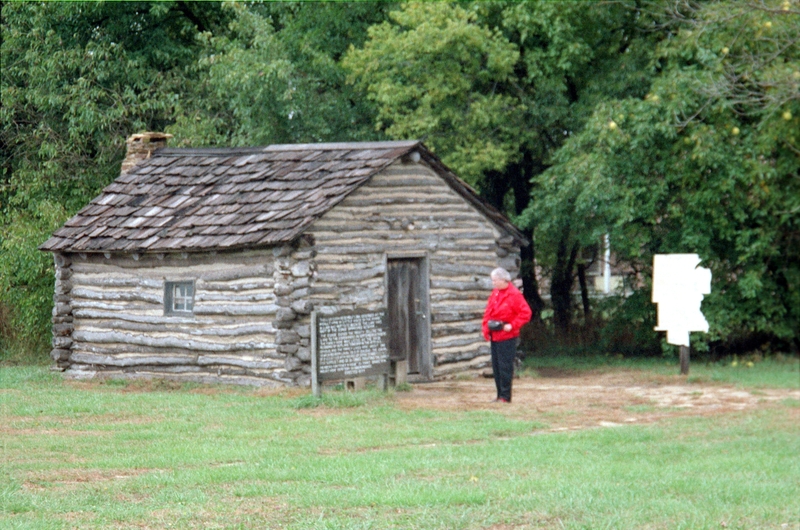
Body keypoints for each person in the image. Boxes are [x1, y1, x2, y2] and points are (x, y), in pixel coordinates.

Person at [482, 267, 532, 403]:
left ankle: (505, 396)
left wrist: (513, 325)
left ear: (504, 280)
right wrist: (486, 328)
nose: (493, 283)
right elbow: (488, 312)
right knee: (496, 367)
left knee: (505, 366)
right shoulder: (495, 293)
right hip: (495, 334)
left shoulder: (514, 294)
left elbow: (526, 313)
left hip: (507, 336)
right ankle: (499, 394)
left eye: (495, 280)